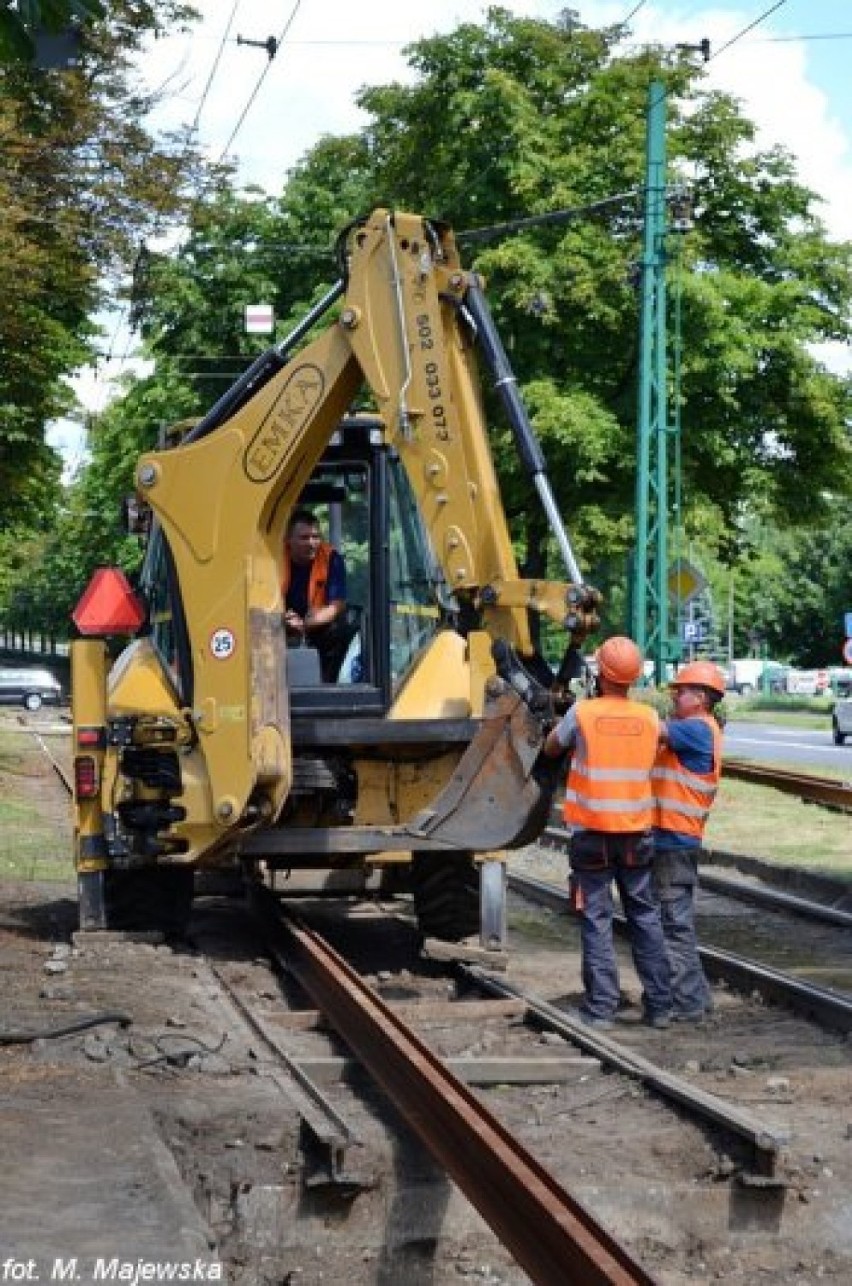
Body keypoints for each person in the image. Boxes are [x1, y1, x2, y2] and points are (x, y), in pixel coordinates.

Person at [543, 635, 672, 1031]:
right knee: (645, 916)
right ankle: (660, 1007)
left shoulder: (582, 713)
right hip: (636, 834)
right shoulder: (650, 718)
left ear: (599, 673)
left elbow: (551, 748)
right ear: (632, 677)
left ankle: (601, 1008)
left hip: (593, 835)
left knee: (597, 918)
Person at [652, 660, 726, 1023]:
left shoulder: (696, 729)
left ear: (700, 698)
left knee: (673, 924)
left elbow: (652, 730)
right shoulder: (696, 728)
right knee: (673, 921)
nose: (675, 697)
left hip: (674, 840)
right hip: (674, 838)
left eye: (680, 692)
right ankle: (694, 996)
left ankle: (689, 1003)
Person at [282, 508, 348, 681]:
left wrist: (304, 624)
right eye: (304, 538)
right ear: (289, 540)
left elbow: (337, 605)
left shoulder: (331, 558)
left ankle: (327, 684)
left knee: (338, 630)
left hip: (316, 624)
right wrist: (284, 620)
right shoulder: (275, 558)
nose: (312, 543)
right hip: (281, 623)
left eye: (316, 537)